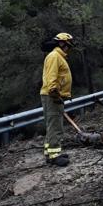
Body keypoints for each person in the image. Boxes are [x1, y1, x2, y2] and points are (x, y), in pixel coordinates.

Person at [40, 32, 74, 167]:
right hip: (52, 95)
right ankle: (54, 156)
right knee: (55, 125)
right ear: (62, 44)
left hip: (52, 95)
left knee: (51, 124)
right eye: (68, 45)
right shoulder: (55, 56)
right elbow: (51, 77)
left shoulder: (57, 56)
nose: (69, 48)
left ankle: (50, 152)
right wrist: (54, 93)